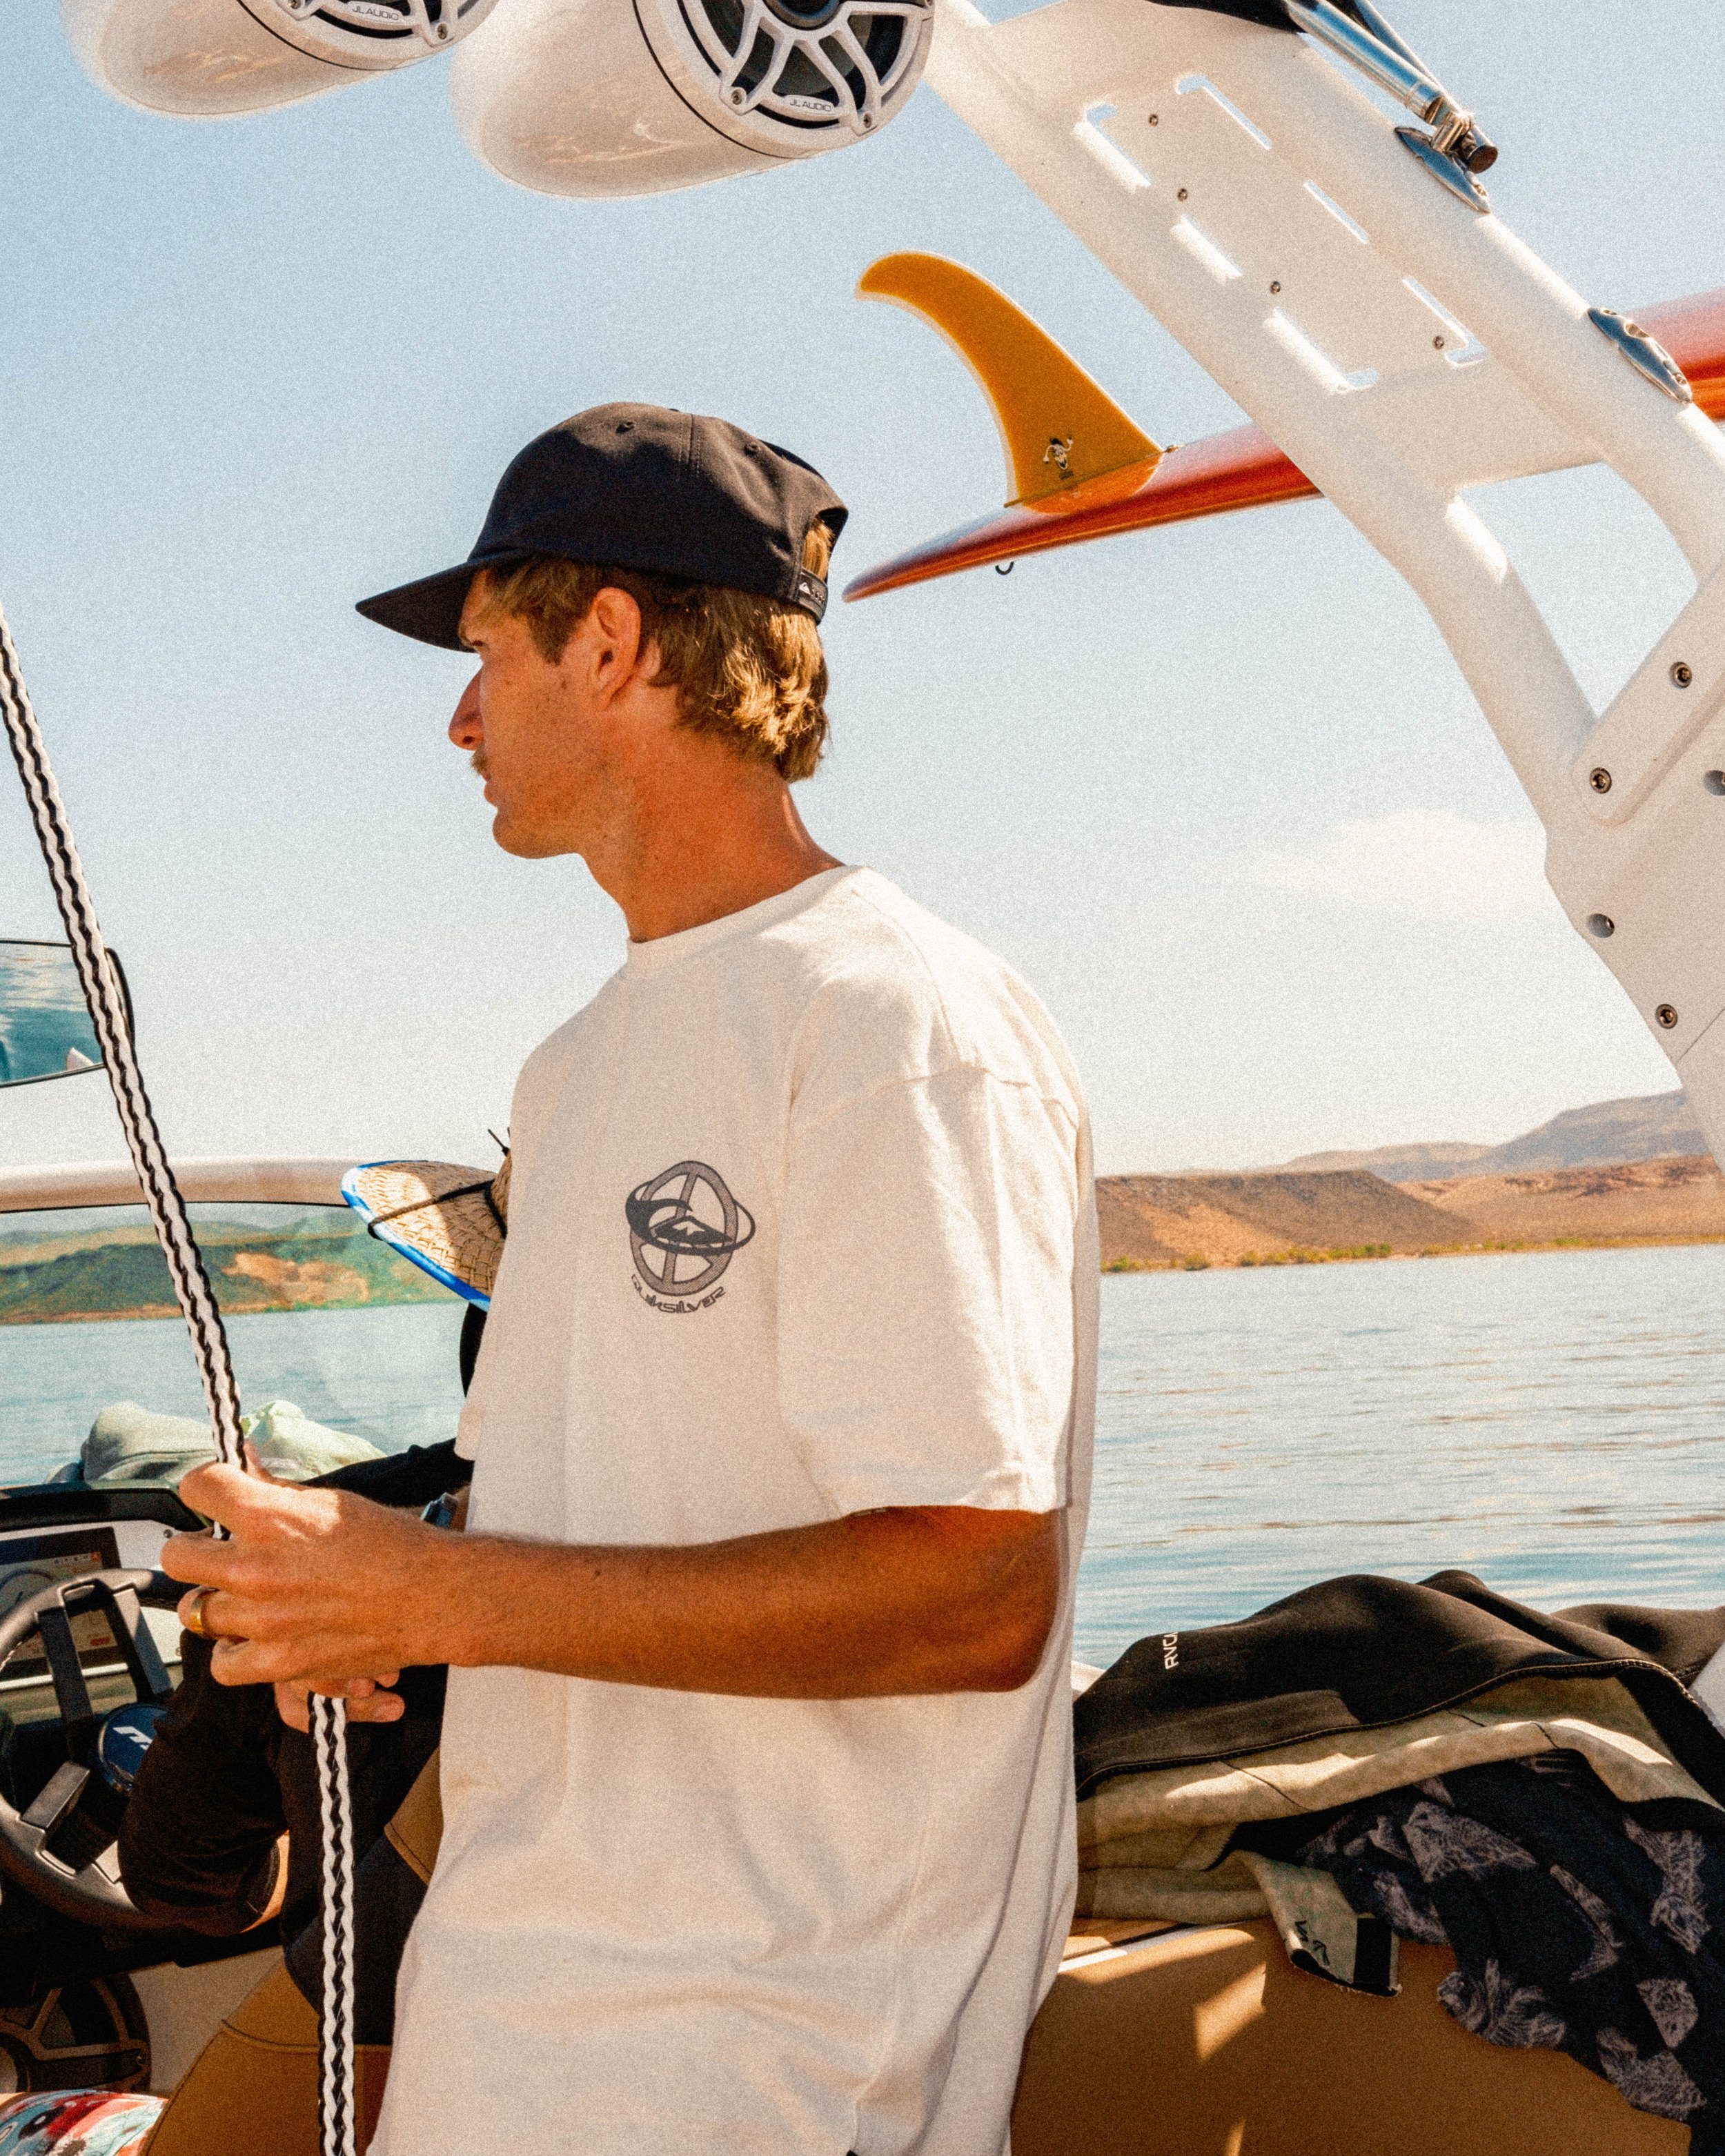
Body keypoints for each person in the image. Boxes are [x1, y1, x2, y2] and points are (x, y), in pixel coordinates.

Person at [164, 403, 1098, 2156]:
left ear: (607, 642)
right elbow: (615, 1513)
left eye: (485, 654)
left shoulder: (894, 1023)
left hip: (768, 2042)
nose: (456, 716)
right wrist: (362, 1599)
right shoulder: (577, 1066)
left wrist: (439, 1602)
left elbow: (975, 1597)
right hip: (522, 2000)